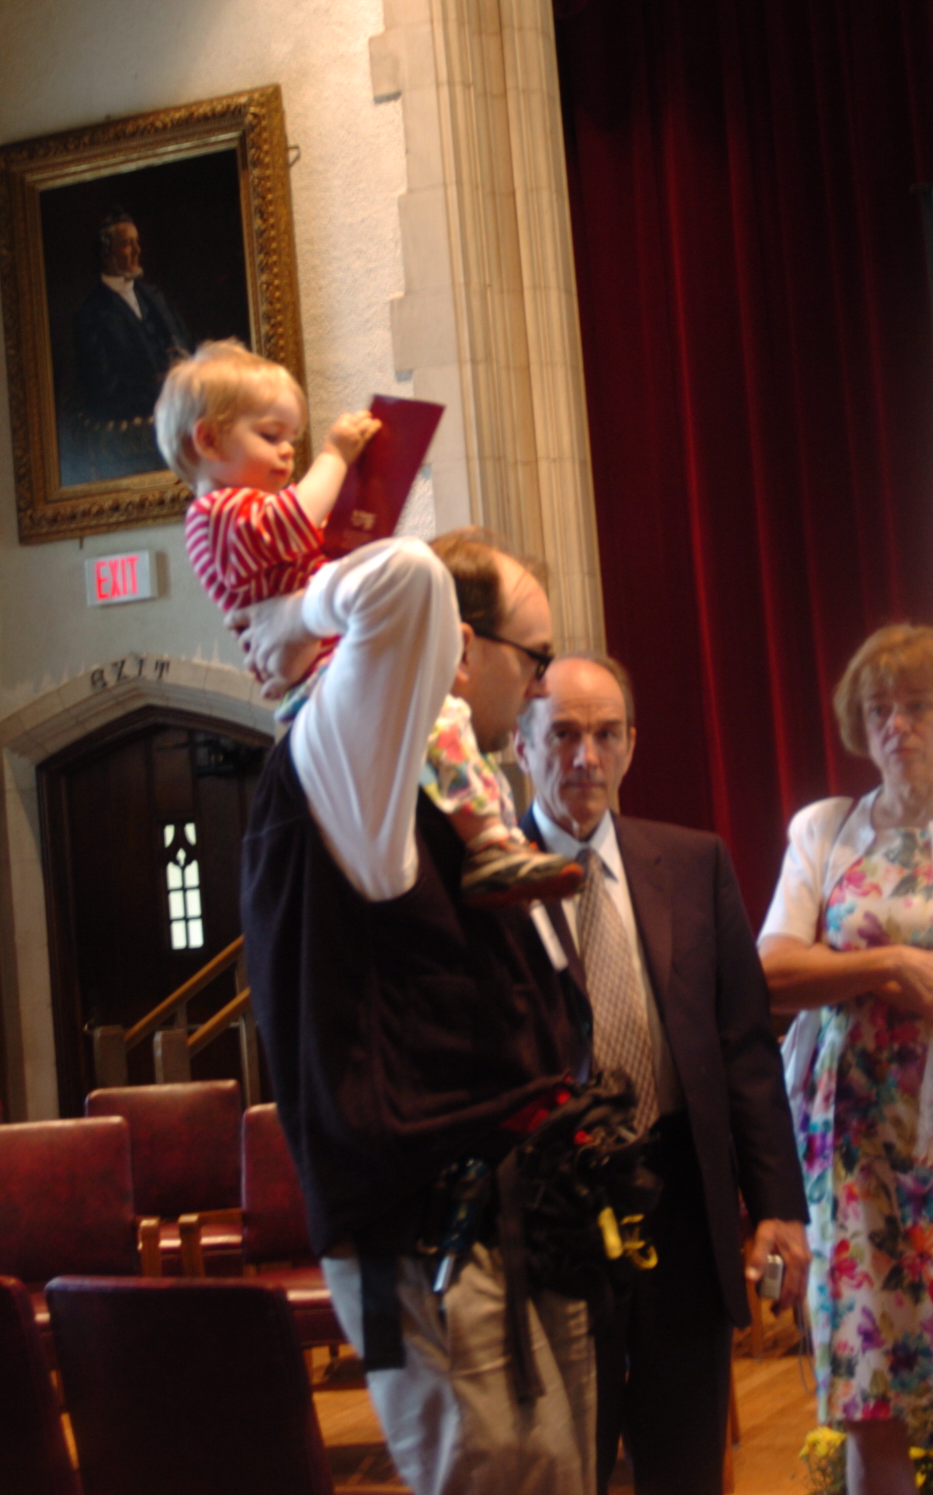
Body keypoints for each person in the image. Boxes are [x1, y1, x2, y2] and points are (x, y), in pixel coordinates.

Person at [233, 528, 594, 1495]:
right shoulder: (356, 770)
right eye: (535, 657)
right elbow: (405, 577)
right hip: (424, 1223)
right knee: (500, 1479)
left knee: (559, 1477)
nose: (543, 685)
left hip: (516, 1202)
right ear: (459, 647)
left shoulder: (453, 784)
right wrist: (294, 615)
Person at [758, 625, 933, 1495]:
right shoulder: (824, 829)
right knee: (868, 1394)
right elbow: (773, 969)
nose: (897, 726)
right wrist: (896, 968)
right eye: (880, 709)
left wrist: (848, 973)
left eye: (917, 706)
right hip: (849, 1153)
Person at [511, 654, 811, 1495]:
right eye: (563, 735)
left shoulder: (692, 863)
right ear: (521, 746)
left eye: (606, 734)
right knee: (564, 1468)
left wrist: (778, 1205)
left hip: (680, 1204)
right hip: (555, 1217)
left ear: (632, 745)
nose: (586, 757)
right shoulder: (484, 881)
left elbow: (745, 1050)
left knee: (686, 1466)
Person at [159, 340, 580, 905]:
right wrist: (334, 456)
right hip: (318, 683)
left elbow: (330, 549)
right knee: (438, 715)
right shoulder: (214, 517)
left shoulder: (255, 512)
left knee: (448, 720)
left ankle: (493, 841)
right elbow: (298, 522)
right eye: (271, 436)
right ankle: (490, 844)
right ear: (208, 440)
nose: (287, 454)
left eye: (292, 440)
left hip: (331, 661)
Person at [61, 211, 191, 485]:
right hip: (136, 435)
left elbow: (186, 346)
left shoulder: (155, 296)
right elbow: (102, 391)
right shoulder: (90, 315)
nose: (137, 250)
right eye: (127, 244)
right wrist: (161, 385)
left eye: (137, 242)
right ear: (107, 252)